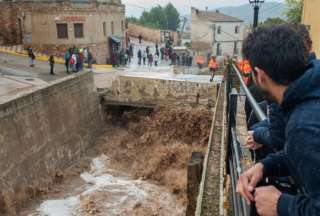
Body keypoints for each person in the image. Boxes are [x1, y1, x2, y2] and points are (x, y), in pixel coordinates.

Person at [236, 24, 320, 216]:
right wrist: (266, 166)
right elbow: (300, 153)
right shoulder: (309, 92)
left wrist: (281, 204)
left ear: (260, 75)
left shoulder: (305, 126)